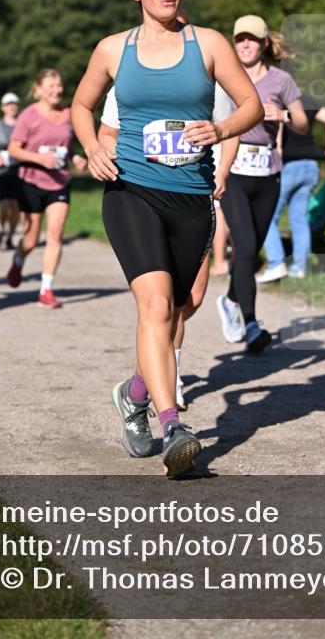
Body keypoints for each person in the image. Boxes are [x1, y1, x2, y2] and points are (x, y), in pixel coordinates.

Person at [72, 0, 263, 477]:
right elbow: (81, 105)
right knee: (155, 306)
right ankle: (173, 423)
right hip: (130, 188)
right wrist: (92, 147)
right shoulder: (113, 50)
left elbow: (252, 104)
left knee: (182, 307)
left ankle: (133, 393)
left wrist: (221, 129)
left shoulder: (209, 44)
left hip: (191, 195)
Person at [98, 79, 238, 411]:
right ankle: (168, 387)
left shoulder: (207, 84)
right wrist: (105, 153)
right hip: (140, 195)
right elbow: (107, 132)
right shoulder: (130, 82)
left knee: (188, 300)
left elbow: (233, 129)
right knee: (158, 306)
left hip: (195, 194)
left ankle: (142, 379)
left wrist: (223, 174)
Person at [216, 15, 309, 352]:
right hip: (234, 169)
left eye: (252, 39)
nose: (245, 44)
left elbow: (301, 123)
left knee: (249, 250)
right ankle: (252, 324)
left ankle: (229, 300)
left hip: (268, 172)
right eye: (239, 38)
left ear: (264, 44)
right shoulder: (224, 78)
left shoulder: (281, 81)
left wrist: (281, 115)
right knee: (244, 240)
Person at [5, 70, 87, 307]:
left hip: (59, 182)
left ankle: (46, 290)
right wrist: (41, 160)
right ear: (39, 89)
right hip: (31, 182)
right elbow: (14, 149)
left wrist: (77, 158)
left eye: (59, 86)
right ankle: (18, 259)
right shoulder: (28, 116)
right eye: (50, 86)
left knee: (55, 234)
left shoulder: (68, 114)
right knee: (30, 240)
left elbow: (68, 148)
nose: (56, 90)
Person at [259, 101, 325, 281]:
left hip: (289, 165)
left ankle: (276, 263)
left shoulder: (278, 98)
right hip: (311, 166)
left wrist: (277, 151)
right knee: (299, 219)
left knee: (267, 217)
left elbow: (278, 125)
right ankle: (300, 268)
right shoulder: (305, 101)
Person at [0, 93, 22, 250]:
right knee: (5, 204)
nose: (11, 107)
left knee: (15, 206)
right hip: (1, 170)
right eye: (8, 104)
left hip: (18, 169)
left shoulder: (22, 125)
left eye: (14, 104)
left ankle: (10, 236)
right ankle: (2, 228)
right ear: (3, 108)